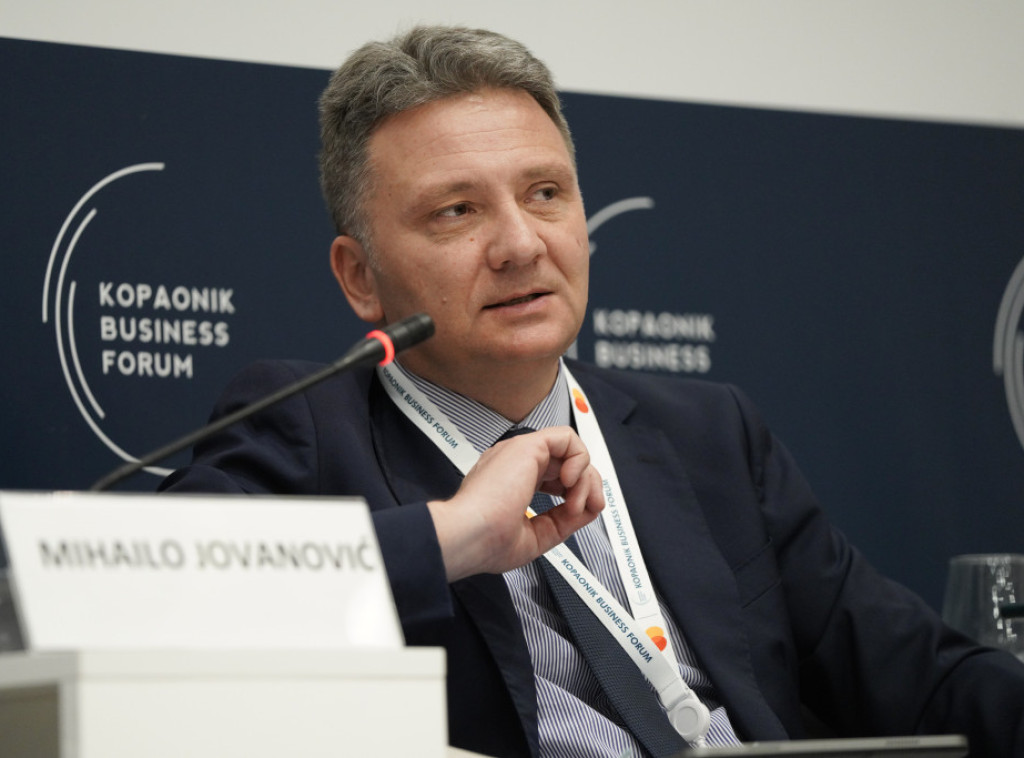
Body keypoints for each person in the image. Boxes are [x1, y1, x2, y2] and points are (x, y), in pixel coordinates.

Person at [160, 25, 1024, 758]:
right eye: (457, 211)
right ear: (360, 277)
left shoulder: (709, 433)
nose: (520, 244)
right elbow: (153, 607)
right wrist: (453, 536)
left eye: (545, 194)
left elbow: (922, 677)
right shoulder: (309, 430)